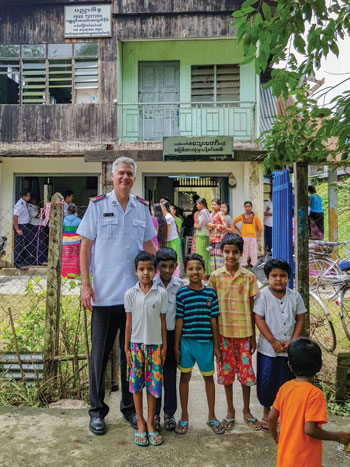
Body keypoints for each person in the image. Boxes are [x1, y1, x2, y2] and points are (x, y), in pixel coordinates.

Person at [77, 156, 157, 436]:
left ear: (134, 178)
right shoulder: (98, 206)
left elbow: (149, 244)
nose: (125, 178)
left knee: (131, 356)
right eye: (120, 173)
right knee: (99, 356)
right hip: (104, 295)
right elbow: (85, 247)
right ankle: (97, 411)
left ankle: (128, 408)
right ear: (112, 176)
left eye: (129, 174)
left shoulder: (141, 208)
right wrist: (85, 285)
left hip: (134, 298)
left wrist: (158, 281)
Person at [269, 338, 350, 467]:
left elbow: (271, 417)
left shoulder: (285, 388)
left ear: (290, 366)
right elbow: (310, 430)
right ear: (320, 366)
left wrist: (276, 436)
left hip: (285, 460)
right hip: (306, 462)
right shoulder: (314, 394)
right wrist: (337, 436)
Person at [208, 233, 261, 431]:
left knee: (246, 375)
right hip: (223, 336)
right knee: (227, 375)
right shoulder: (215, 277)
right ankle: (230, 410)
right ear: (221, 253)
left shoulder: (249, 277)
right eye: (227, 252)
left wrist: (253, 336)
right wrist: (215, 341)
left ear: (241, 253)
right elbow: (212, 311)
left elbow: (252, 307)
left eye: (235, 252)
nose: (230, 256)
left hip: (244, 335)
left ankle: (247, 410)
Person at [174, 253, 224, 435]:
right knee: (185, 378)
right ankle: (184, 416)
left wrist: (217, 346)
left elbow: (214, 320)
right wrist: (176, 346)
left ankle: (212, 416)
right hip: (186, 343)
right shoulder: (182, 293)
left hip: (206, 344)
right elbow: (179, 320)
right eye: (190, 268)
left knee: (209, 379)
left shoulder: (210, 292)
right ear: (185, 271)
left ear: (204, 271)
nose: (194, 272)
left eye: (198, 268)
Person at [254, 258, 306, 431]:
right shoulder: (263, 296)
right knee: (267, 381)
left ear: (288, 278)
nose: (278, 279)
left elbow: (300, 318)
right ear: (268, 277)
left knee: (287, 381)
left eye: (283, 276)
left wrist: (294, 341)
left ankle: (285, 414)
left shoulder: (295, 296)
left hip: (289, 350)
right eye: (274, 275)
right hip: (268, 350)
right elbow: (259, 319)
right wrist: (272, 341)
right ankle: (267, 414)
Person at [124, 251, 167, 446]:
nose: (145, 273)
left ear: (155, 271)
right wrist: (126, 349)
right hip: (135, 347)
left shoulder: (161, 293)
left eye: (150, 269)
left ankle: (151, 423)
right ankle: (140, 422)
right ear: (135, 271)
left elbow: (163, 321)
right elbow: (128, 323)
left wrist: (164, 347)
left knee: (153, 387)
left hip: (155, 347)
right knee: (136, 386)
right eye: (141, 269)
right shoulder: (130, 294)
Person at [154, 247, 183, 431]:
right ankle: (155, 414)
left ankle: (169, 414)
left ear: (176, 266)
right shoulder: (151, 283)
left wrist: (177, 344)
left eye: (170, 266)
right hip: (154, 335)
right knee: (156, 375)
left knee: (171, 374)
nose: (166, 270)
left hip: (172, 335)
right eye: (163, 266)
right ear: (157, 266)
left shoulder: (179, 286)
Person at [233, 201, 262, 268]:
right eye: (246, 206)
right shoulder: (242, 216)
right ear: (244, 207)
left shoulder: (255, 217)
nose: (248, 208)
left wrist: (257, 237)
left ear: (251, 207)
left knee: (253, 252)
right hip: (244, 237)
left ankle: (254, 267)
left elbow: (260, 228)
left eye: (249, 206)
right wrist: (240, 230)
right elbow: (233, 223)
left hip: (253, 237)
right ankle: (243, 266)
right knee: (244, 251)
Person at [13, 189, 31, 270]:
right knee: (19, 245)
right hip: (20, 226)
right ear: (23, 196)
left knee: (24, 244)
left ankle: (23, 261)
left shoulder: (24, 203)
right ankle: (18, 263)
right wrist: (17, 229)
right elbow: (15, 217)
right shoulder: (19, 204)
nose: (29, 197)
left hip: (25, 225)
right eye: (28, 196)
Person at [62, 204, 81, 277]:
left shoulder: (63, 220)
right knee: (75, 258)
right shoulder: (78, 220)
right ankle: (74, 273)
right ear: (75, 211)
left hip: (65, 242)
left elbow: (61, 230)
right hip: (76, 242)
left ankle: (65, 274)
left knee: (66, 258)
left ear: (67, 211)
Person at [27, 198, 48, 266]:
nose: (35, 200)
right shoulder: (29, 207)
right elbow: (37, 215)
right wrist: (45, 210)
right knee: (34, 244)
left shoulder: (36, 207)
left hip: (40, 226)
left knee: (41, 244)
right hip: (34, 227)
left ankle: (41, 260)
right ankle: (34, 261)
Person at [194, 197, 211, 276]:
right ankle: (206, 272)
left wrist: (195, 225)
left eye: (197, 204)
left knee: (201, 254)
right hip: (205, 235)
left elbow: (200, 225)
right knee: (206, 254)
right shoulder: (207, 211)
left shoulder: (202, 212)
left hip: (201, 235)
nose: (196, 206)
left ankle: (203, 273)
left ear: (201, 204)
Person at [207, 198, 225, 272]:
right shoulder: (210, 214)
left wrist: (214, 226)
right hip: (211, 239)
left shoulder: (220, 214)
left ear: (219, 205)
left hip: (219, 238)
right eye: (212, 204)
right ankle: (213, 273)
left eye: (215, 204)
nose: (213, 206)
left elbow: (224, 226)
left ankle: (219, 272)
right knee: (212, 257)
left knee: (218, 257)